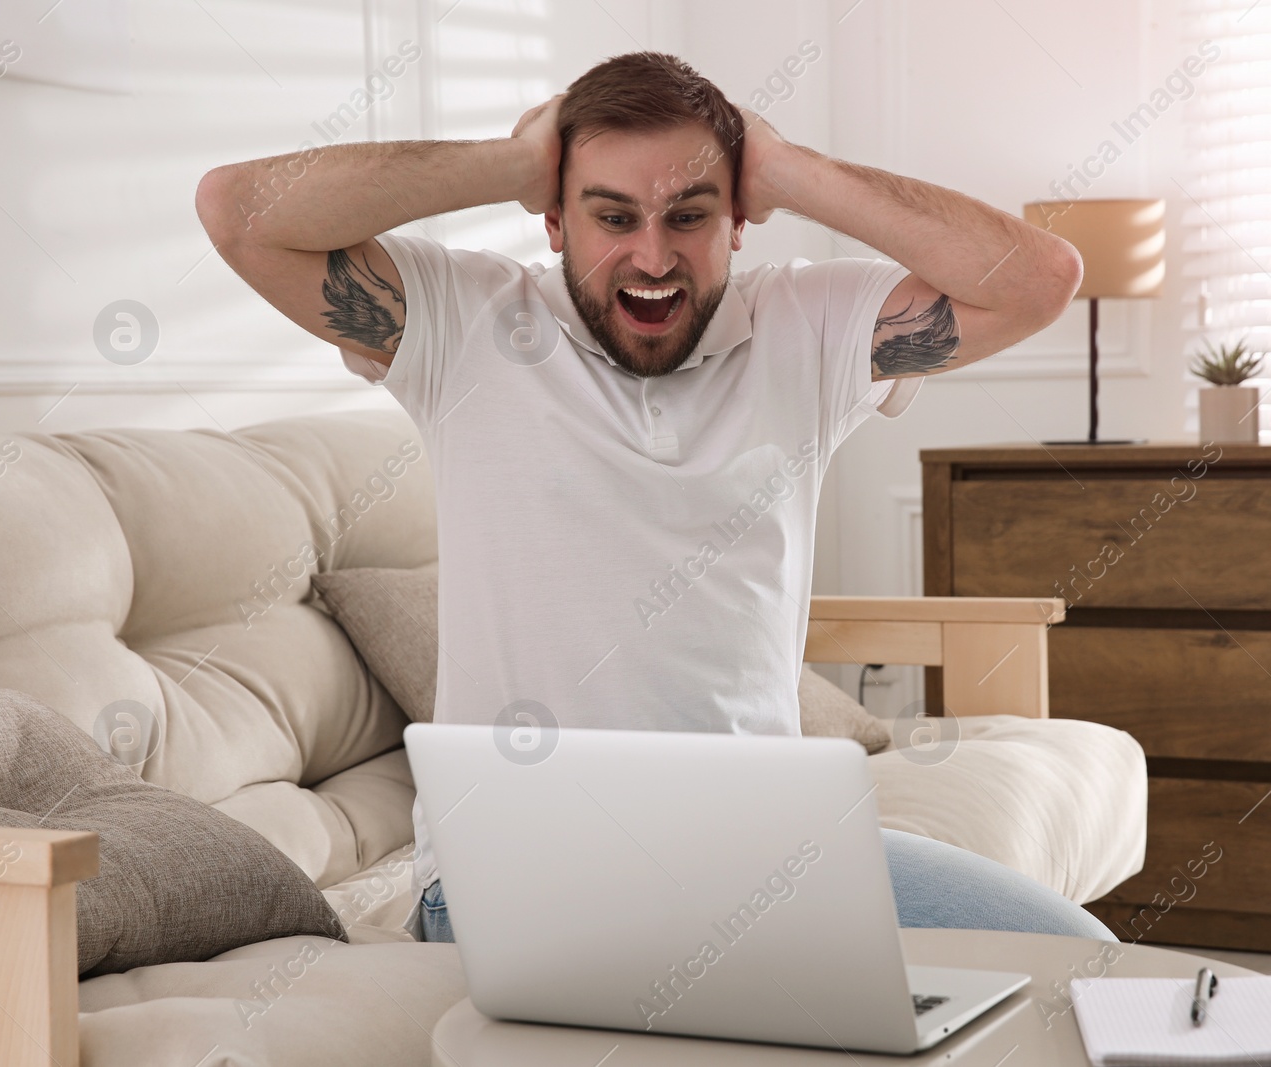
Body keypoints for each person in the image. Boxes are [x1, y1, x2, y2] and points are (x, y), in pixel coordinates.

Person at [196, 51, 1110, 944]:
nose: (652, 254)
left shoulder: (811, 330)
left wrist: (782, 165)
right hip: (520, 868)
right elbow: (238, 213)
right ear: (556, 222)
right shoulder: (464, 326)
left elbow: (1040, 279)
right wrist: (515, 162)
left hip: (768, 855)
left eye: (689, 214)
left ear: (739, 221)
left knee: (1079, 962)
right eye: (612, 215)